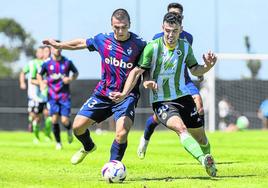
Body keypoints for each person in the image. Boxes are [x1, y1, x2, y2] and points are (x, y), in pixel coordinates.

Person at [109, 12, 217, 177]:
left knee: (201, 138)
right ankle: (203, 159)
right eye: (167, 30)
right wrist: (126, 92)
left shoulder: (185, 47)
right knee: (181, 129)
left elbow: (195, 69)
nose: (170, 35)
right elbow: (138, 71)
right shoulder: (152, 47)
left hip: (183, 97)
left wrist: (208, 66)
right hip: (161, 100)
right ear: (162, 28)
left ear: (181, 30)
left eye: (174, 31)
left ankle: (210, 162)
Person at [42, 8, 146, 163]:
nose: (120, 30)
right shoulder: (102, 40)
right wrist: (60, 45)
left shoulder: (140, 44)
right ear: (111, 25)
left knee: (122, 133)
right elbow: (81, 43)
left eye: (124, 27)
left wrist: (145, 82)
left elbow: (145, 67)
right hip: (103, 94)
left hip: (126, 96)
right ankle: (88, 146)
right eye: (117, 27)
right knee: (77, 127)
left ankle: (113, 166)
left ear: (130, 24)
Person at [137, 2, 206, 160]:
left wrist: (200, 73)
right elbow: (147, 65)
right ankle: (146, 136)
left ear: (182, 20)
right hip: (163, 84)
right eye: (172, 14)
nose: (175, 17)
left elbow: (190, 63)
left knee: (199, 106)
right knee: (159, 118)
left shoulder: (188, 38)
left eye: (178, 16)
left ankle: (201, 144)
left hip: (184, 80)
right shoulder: (156, 40)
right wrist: (148, 80)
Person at [37, 42, 79, 150]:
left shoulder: (67, 62)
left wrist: (70, 79)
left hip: (64, 96)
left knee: (65, 120)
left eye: (59, 47)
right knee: (54, 119)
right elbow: (39, 74)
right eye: (55, 47)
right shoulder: (47, 63)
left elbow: (76, 73)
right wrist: (41, 83)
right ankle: (59, 143)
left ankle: (69, 130)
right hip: (52, 96)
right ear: (51, 49)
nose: (58, 49)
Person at [19, 47, 51, 143]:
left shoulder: (48, 63)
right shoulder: (32, 63)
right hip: (34, 95)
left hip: (46, 94)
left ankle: (47, 136)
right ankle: (35, 135)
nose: (42, 53)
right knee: (35, 116)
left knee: (48, 115)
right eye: (40, 52)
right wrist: (22, 82)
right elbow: (24, 73)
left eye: (45, 51)